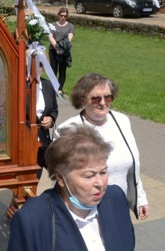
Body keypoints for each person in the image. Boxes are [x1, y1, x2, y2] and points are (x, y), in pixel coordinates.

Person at [3, 124, 144, 251]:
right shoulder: (33, 219)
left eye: (103, 172)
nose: (100, 184)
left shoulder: (115, 199)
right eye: (89, 176)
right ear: (61, 178)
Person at [56, 72, 149, 219]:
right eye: (95, 98)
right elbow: (62, 176)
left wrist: (140, 199)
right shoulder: (68, 129)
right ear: (82, 100)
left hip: (119, 205)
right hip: (84, 209)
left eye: (108, 97)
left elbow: (133, 165)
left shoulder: (122, 121)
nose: (103, 102)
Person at [36, 73, 58, 178]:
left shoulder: (47, 85)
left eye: (40, 64)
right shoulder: (19, 84)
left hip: (43, 141)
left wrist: (51, 119)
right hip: (24, 142)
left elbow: (54, 110)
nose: (36, 66)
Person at [48, 7, 74, 95]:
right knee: (53, 69)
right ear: (58, 15)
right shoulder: (52, 25)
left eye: (65, 16)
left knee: (62, 70)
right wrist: (56, 47)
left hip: (64, 50)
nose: (63, 17)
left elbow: (70, 37)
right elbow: (50, 36)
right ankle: (53, 87)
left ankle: (60, 88)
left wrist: (62, 47)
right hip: (53, 50)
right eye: (61, 15)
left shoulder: (70, 26)